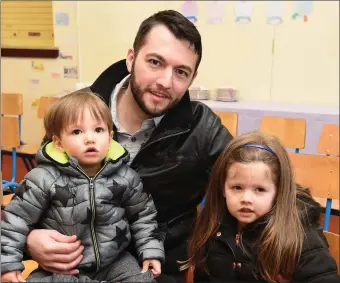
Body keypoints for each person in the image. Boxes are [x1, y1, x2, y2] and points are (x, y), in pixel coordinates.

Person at [25, 9, 233, 283]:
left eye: (181, 72)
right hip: (75, 265)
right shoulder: (76, 112)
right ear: (131, 58)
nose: (165, 82)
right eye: (155, 62)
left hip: (157, 267)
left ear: (191, 80)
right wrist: (31, 240)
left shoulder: (202, 127)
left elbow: (259, 175)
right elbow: (39, 192)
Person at [1, 92, 164, 283]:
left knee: (144, 280)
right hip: (63, 267)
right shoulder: (42, 178)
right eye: (77, 132)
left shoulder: (126, 176)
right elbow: (15, 220)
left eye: (98, 130)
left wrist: (151, 251)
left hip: (115, 261)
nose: (90, 139)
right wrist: (7, 265)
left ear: (110, 137)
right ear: (59, 143)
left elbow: (143, 215)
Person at [185, 131, 339, 283]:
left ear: (278, 191)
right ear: (223, 188)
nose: (246, 199)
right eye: (237, 187)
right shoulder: (213, 226)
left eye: (259, 190)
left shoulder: (299, 234)